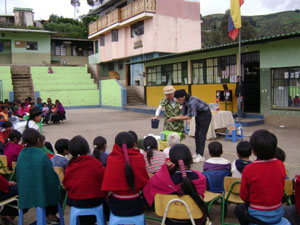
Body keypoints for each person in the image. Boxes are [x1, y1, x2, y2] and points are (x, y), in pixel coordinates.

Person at [143, 144, 208, 225]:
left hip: (170, 221)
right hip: (193, 220)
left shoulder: (163, 179)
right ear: (190, 160)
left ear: (171, 161)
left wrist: (165, 169)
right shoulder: (200, 177)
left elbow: (150, 186)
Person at [234, 129, 289, 225]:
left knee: (239, 209)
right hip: (277, 212)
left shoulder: (249, 169)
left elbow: (244, 196)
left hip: (256, 214)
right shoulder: (280, 165)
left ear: (253, 151)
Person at [16, 128, 61, 223]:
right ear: (38, 140)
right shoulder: (42, 155)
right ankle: (50, 215)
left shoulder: (21, 154)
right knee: (57, 192)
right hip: (40, 192)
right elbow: (51, 177)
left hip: (24, 191)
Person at [101, 132, 149, 217]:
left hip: (116, 206)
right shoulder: (139, 157)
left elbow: (108, 185)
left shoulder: (112, 159)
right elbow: (144, 182)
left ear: (116, 145)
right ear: (134, 145)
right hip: (136, 205)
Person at [63, 136, 106, 225]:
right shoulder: (95, 162)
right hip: (95, 199)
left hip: (76, 201)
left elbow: (66, 185)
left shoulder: (70, 165)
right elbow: (103, 179)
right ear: (87, 148)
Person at [168, 89, 212, 163]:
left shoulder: (192, 101)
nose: (178, 101)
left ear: (184, 96)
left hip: (205, 115)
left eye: (179, 99)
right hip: (199, 115)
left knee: (201, 135)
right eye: (177, 100)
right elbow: (183, 115)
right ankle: (197, 152)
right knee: (196, 134)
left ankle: (201, 155)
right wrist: (174, 118)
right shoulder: (185, 102)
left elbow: (189, 117)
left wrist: (175, 118)